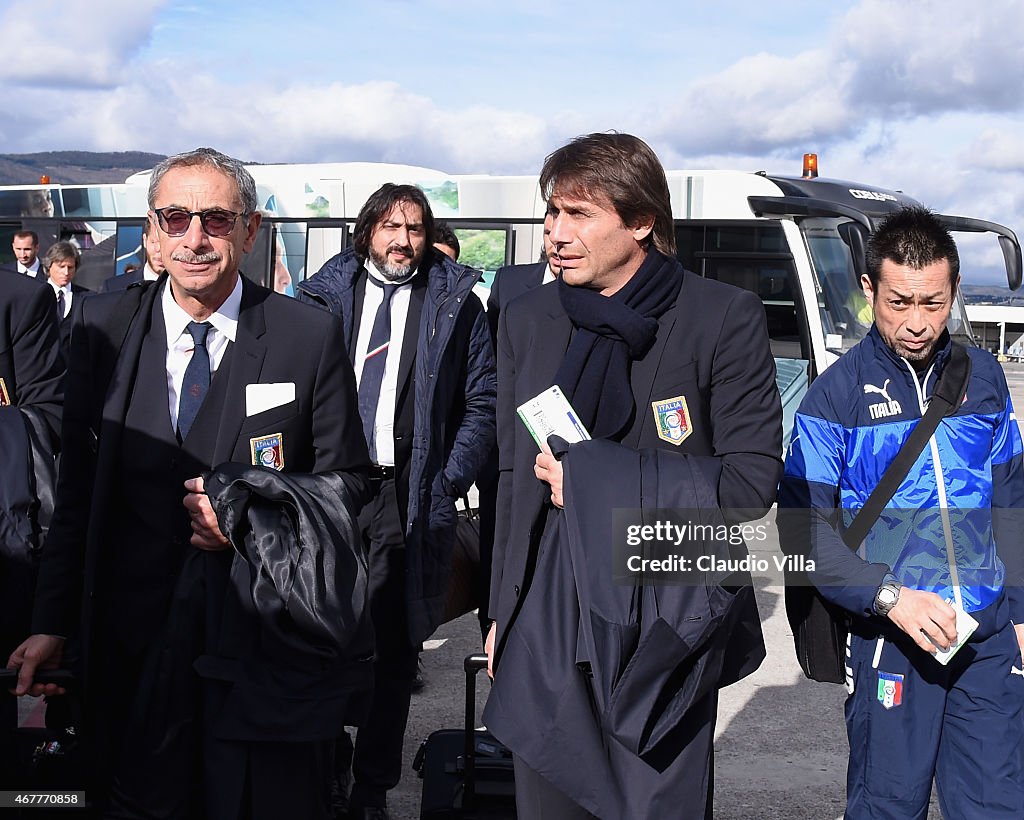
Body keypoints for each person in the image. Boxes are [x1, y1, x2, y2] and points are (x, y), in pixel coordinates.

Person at [7, 147, 373, 820]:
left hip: (257, 645)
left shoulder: (306, 335)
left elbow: (349, 483)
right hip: (128, 645)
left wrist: (250, 518)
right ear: (150, 231)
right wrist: (52, 621)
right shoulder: (100, 327)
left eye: (215, 219)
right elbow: (76, 492)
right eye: (175, 218)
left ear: (250, 231)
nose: (194, 238)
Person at [483, 133, 782, 818]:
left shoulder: (719, 317)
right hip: (550, 613)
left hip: (663, 613)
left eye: (578, 214)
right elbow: (510, 476)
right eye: (551, 213)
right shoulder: (528, 316)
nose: (556, 234)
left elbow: (748, 486)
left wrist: (591, 479)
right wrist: (503, 610)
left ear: (642, 221)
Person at [778, 206, 1024, 818]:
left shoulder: (985, 376)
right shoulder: (833, 396)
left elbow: (1013, 496)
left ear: (954, 291)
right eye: (899, 302)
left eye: (933, 303)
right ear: (869, 290)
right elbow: (802, 530)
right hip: (892, 635)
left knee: (998, 804)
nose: (917, 323)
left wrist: (1020, 609)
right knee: (888, 807)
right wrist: (890, 599)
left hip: (986, 636)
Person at [298, 183, 496, 820]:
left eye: (413, 228)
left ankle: (373, 787)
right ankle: (322, 766)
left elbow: (483, 403)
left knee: (394, 647)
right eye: (390, 226)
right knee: (317, 638)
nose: (402, 240)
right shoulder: (321, 299)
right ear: (366, 233)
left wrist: (446, 475)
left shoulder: (459, 305)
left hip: (409, 496)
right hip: (331, 492)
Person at [0, 268, 64, 788]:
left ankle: (29, 789)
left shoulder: (20, 299)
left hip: (6, 547)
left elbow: (49, 415)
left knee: (20, 717)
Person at [41, 240, 90, 354]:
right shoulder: (35, 295)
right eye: (61, 266)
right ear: (49, 266)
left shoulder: (87, 297)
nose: (66, 272)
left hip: (75, 365)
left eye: (70, 267)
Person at [103, 218, 165, 291]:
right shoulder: (113, 287)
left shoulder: (181, 287)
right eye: (153, 242)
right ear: (144, 240)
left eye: (165, 244)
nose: (158, 249)